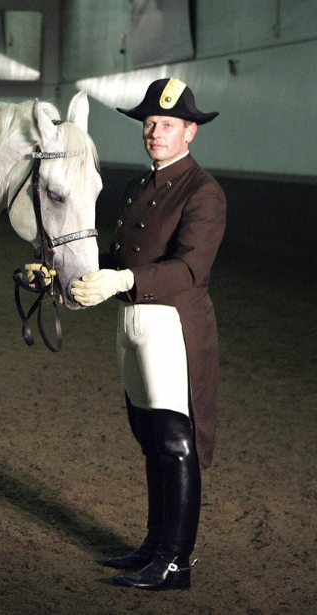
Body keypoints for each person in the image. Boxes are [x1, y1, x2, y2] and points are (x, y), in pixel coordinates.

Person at [70, 77, 226, 591]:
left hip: (170, 325)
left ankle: (175, 561)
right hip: (133, 321)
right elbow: (123, 257)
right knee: (150, 437)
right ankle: (155, 544)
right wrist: (68, 276)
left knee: (175, 441)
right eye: (150, 124)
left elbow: (189, 270)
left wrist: (125, 279)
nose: (155, 132)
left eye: (168, 125)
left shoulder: (202, 191)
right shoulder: (144, 185)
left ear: (190, 133)